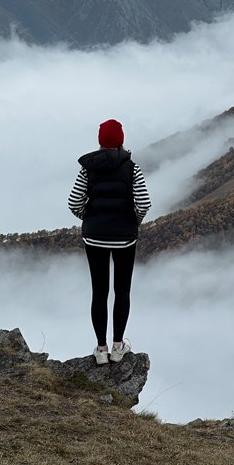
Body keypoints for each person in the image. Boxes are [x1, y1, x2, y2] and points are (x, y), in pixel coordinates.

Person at [68, 119, 151, 365]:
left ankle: (101, 349)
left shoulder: (88, 168)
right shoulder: (131, 168)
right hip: (125, 238)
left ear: (100, 141)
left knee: (99, 292)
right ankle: (118, 347)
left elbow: (74, 202)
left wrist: (90, 217)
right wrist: (133, 221)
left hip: (94, 237)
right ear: (121, 141)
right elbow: (144, 203)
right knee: (122, 291)